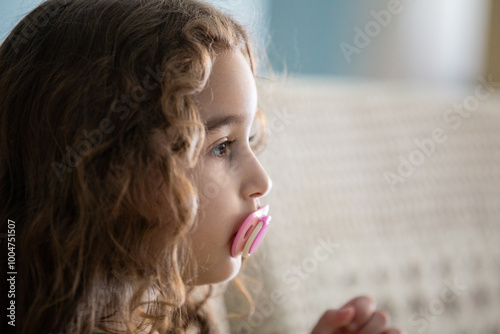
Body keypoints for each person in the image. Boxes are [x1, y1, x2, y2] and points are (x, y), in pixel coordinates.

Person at [0, 0, 404, 333]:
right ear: (105, 173)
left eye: (250, 142)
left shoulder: (180, 318)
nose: (262, 181)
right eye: (221, 147)